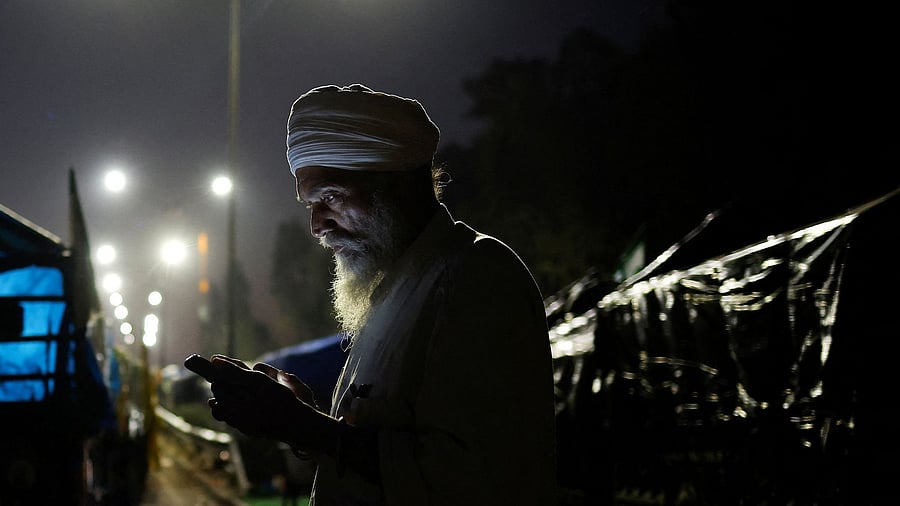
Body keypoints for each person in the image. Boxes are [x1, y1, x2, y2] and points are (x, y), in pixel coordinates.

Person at [195, 83, 557, 505]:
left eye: (329, 197)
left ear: (397, 185)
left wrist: (306, 428)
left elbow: (472, 479)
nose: (316, 226)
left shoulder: (478, 278)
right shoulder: (394, 292)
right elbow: (374, 455)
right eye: (309, 205)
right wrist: (303, 421)